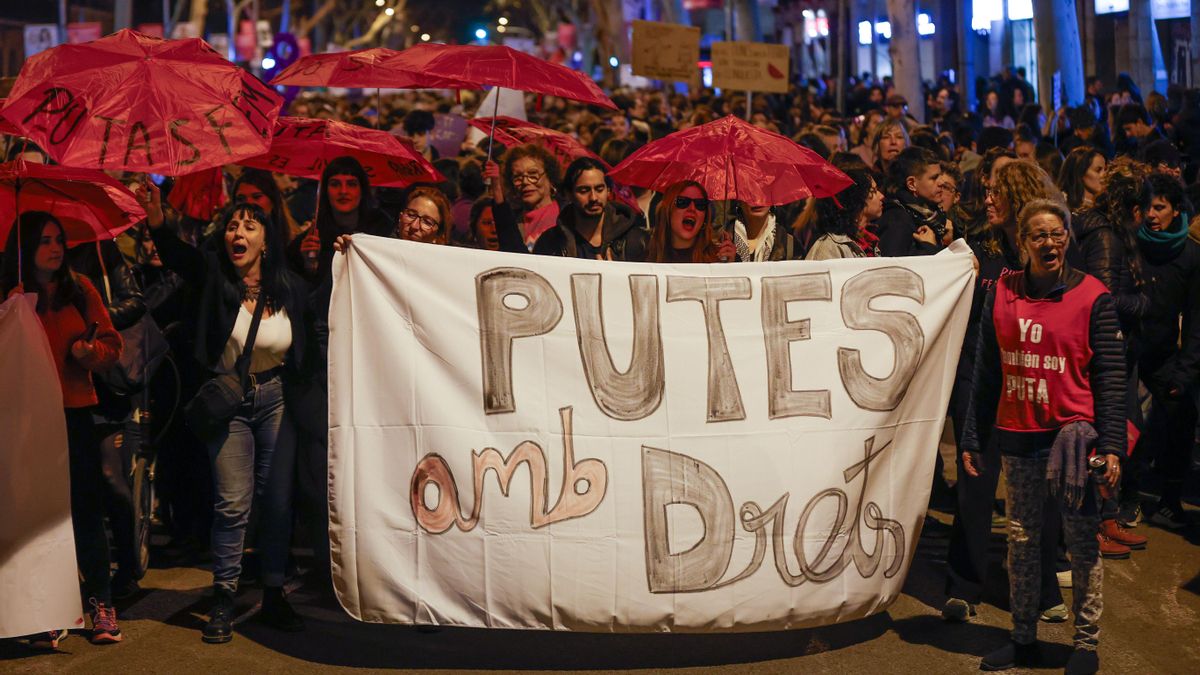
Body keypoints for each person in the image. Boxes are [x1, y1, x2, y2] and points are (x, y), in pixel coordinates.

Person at [143, 184, 314, 644]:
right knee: (233, 502)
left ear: (266, 240)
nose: (238, 233)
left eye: (249, 226)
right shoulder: (214, 279)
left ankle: (274, 592)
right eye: (232, 226)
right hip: (229, 406)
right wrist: (159, 221)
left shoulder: (291, 288)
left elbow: (315, 334)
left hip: (276, 399)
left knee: (276, 502)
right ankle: (224, 593)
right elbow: (181, 256)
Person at [962, 199, 1125, 674]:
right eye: (1038, 234)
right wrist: (972, 436)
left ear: (1068, 238)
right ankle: (1022, 637)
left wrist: (1111, 445)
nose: (1049, 243)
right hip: (1018, 437)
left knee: (1080, 543)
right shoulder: (1003, 293)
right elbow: (986, 370)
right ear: (1022, 242)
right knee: (1021, 540)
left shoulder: (1093, 296)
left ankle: (1086, 645)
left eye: (1057, 234)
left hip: (1073, 443)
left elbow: (1110, 379)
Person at [944, 161, 1069, 624]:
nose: (989, 198)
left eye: (998, 192)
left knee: (1040, 490)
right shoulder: (980, 246)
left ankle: (1041, 587)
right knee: (976, 483)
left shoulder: (1051, 252)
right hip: (979, 380)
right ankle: (963, 585)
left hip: (1034, 384)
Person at [3, 212, 125, 648]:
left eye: (60, 240)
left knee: (84, 510)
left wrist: (90, 352)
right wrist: (9, 311)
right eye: (45, 241)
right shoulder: (11, 292)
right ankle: (42, 614)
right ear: (24, 247)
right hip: (25, 417)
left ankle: (100, 604)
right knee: (37, 515)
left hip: (74, 413)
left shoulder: (80, 288)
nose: (56, 248)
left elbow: (112, 344)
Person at [1072, 157, 1152, 539]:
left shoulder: (1112, 232)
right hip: (1109, 350)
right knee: (1109, 433)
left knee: (1120, 432)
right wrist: (1141, 303)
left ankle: (1106, 515)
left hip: (1121, 350)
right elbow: (1101, 297)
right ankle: (1098, 521)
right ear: (1133, 209)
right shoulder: (1105, 236)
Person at [1133, 173, 1198, 529]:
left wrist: (1184, 371)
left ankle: (1170, 498)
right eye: (1147, 207)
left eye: (1160, 207)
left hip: (1163, 353)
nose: (1152, 214)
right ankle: (1125, 497)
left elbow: (1195, 318)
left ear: (1176, 210)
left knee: (1180, 413)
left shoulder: (1189, 253)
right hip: (1129, 349)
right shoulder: (1133, 244)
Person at [513, 157, 648, 261]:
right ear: (568, 194)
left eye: (599, 189)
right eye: (584, 190)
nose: (593, 197)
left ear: (608, 191)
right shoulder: (551, 243)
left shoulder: (636, 240)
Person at [289, 156, 392, 284]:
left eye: (351, 184)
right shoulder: (313, 238)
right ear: (325, 191)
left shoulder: (383, 229)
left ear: (362, 190)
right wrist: (310, 265)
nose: (343, 191)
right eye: (335, 184)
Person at [485, 144, 562, 252]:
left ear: (550, 178)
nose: (525, 182)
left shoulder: (567, 217)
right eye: (518, 177)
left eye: (533, 175)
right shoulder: (512, 220)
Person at [644, 181, 735, 263]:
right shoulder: (645, 258)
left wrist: (731, 267)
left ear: (705, 217)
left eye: (700, 204)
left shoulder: (720, 258)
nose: (692, 209)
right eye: (683, 202)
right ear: (668, 211)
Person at [876, 147, 944, 256]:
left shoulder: (928, 215)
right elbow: (893, 267)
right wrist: (929, 247)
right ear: (912, 184)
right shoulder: (897, 220)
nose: (941, 182)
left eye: (940, 176)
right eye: (934, 178)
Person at [806, 167, 883, 259]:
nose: (881, 196)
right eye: (873, 191)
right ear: (856, 199)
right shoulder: (829, 247)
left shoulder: (869, 242)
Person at [1058, 148, 1107, 215]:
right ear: (1080, 172)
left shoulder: (1108, 205)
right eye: (1098, 170)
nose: (1105, 174)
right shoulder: (1062, 206)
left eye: (1105, 169)